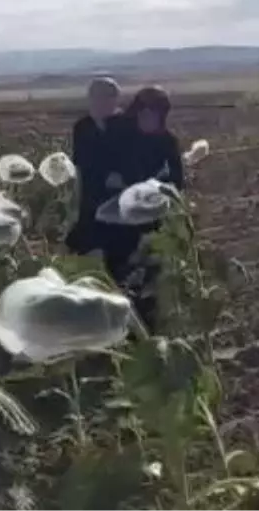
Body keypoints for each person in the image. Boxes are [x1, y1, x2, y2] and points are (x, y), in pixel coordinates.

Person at [95, 85, 184, 333]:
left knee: (149, 278)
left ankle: (148, 331)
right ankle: (120, 329)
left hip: (149, 220)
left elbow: (177, 179)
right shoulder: (116, 132)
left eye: (156, 115)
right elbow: (98, 167)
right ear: (137, 111)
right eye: (146, 113)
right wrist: (112, 180)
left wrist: (157, 189)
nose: (150, 120)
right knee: (118, 276)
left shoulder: (167, 141)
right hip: (117, 220)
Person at [65, 77, 122, 255]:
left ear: (114, 100)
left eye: (107, 97)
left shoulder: (126, 125)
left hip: (119, 192)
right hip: (92, 192)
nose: (101, 103)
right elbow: (81, 164)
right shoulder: (82, 127)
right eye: (97, 97)